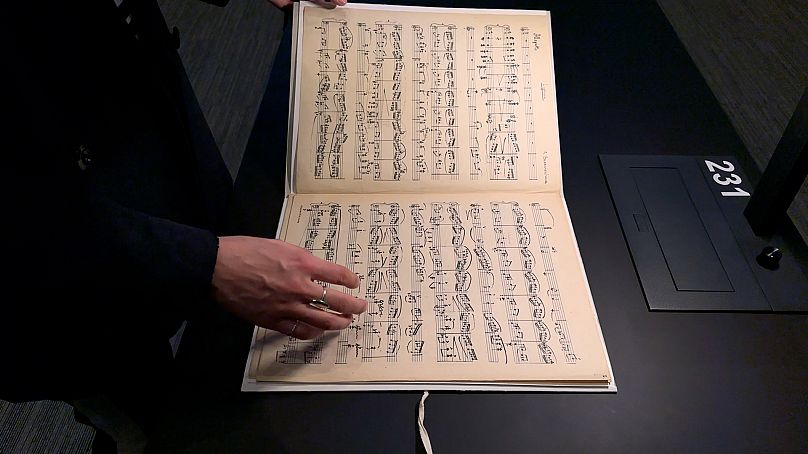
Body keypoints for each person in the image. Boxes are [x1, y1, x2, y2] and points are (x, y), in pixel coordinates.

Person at [2, 0, 361, 449]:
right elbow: (23, 222)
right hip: (57, 277)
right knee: (154, 415)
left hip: (125, 91)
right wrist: (200, 262)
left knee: (223, 333)